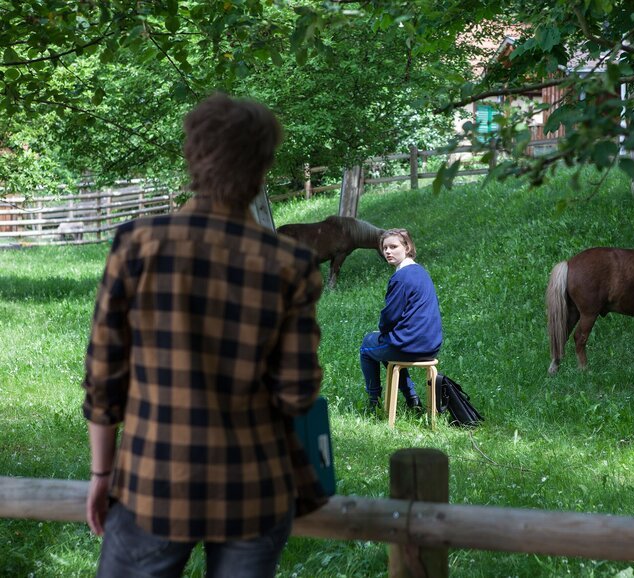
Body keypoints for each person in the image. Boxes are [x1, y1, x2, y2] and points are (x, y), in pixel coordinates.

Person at [82, 92, 326, 578]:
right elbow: (298, 393)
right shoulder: (291, 264)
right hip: (254, 488)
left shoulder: (138, 244)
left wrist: (101, 473)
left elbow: (104, 376)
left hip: (152, 483)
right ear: (264, 165)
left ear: (193, 155)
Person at [359, 228, 442, 410]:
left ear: (407, 246)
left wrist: (382, 330)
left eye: (393, 246)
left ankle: (374, 402)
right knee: (384, 343)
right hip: (431, 346)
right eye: (384, 247)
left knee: (367, 346)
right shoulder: (421, 272)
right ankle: (412, 399)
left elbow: (389, 317)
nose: (388, 251)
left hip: (409, 346)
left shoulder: (401, 277)